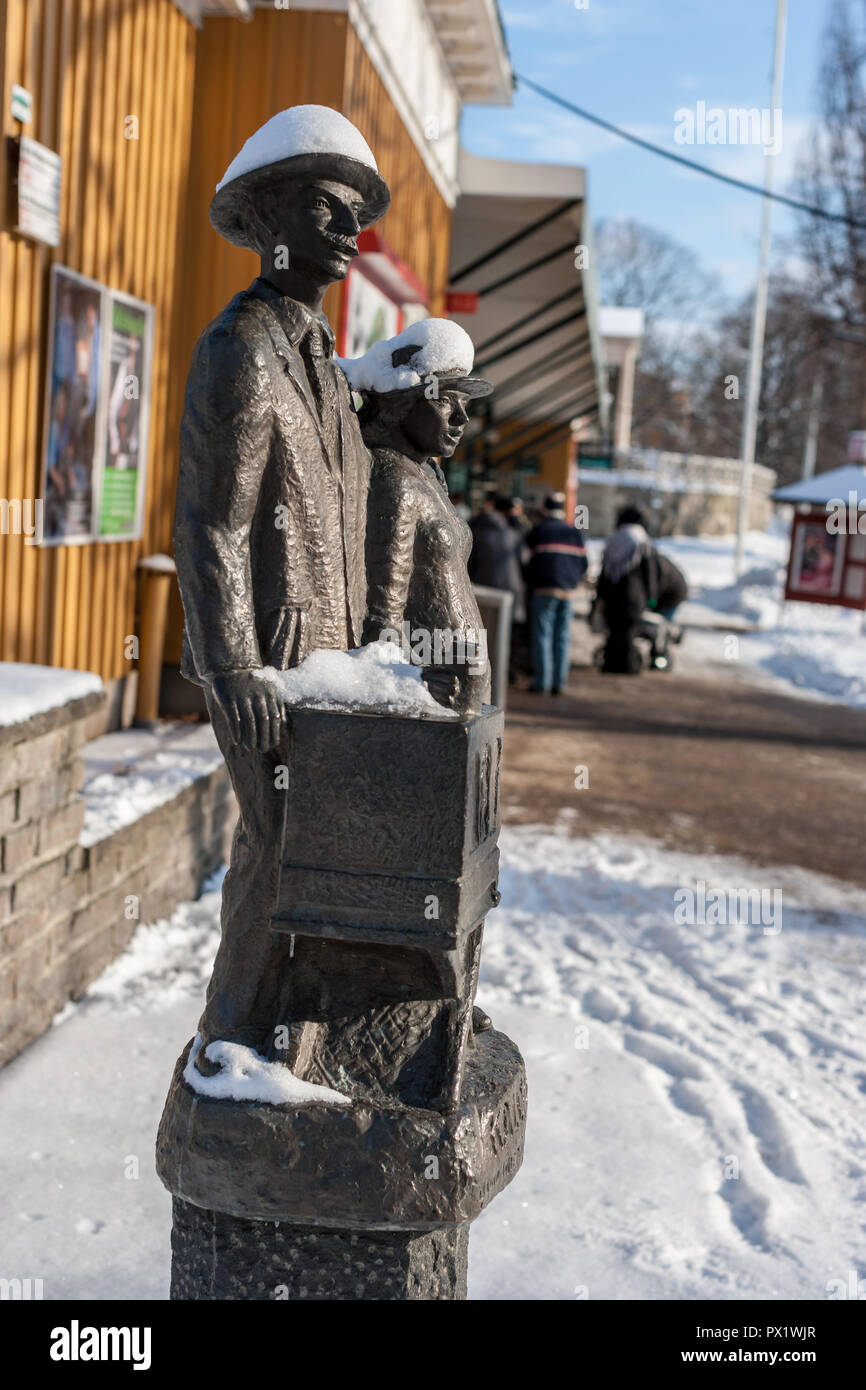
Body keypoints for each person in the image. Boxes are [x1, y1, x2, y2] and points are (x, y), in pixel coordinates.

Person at [173, 105, 390, 1075]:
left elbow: (344, 534)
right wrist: (232, 665)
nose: (348, 230)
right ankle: (230, 1045)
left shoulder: (330, 377)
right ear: (270, 217)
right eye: (323, 205)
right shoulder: (242, 346)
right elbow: (211, 524)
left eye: (353, 211)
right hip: (267, 665)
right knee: (272, 851)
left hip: (331, 665)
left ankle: (284, 1035)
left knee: (314, 856)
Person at [342, 319, 493, 715]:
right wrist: (394, 684)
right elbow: (381, 612)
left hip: (452, 685)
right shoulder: (393, 480)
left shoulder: (424, 474)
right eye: (444, 400)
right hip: (430, 687)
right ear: (401, 402)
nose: (461, 418)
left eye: (465, 404)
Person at [524, 492, 587, 694]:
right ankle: (559, 683)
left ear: (545, 509)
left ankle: (542, 682)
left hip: (543, 589)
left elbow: (526, 560)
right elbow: (584, 565)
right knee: (562, 636)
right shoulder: (574, 533)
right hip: (568, 591)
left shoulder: (538, 531)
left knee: (543, 635)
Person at [468, 494, 526, 679]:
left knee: (482, 636)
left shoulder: (475, 531)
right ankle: (506, 671)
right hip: (513, 594)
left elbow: (469, 564)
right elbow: (525, 561)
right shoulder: (513, 534)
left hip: (485, 594)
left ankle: (483, 674)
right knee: (508, 636)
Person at [596, 504, 657, 674]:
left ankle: (610, 664)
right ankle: (628, 667)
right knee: (629, 634)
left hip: (612, 595)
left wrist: (599, 596)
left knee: (613, 632)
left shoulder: (613, 539)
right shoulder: (641, 540)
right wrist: (651, 597)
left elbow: (604, 571)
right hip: (634, 597)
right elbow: (649, 573)